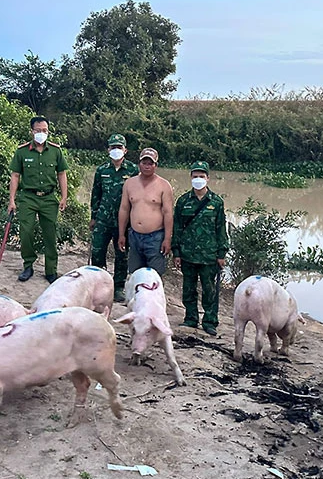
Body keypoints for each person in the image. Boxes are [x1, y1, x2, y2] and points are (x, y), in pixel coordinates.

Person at [8, 116, 68, 283]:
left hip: (49, 198)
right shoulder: (22, 151)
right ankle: (28, 265)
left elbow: (62, 174)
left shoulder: (56, 151)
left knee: (50, 233)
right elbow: (15, 176)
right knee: (26, 231)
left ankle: (51, 270)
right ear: (31, 131)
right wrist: (11, 200)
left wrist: (64, 196)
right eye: (38, 130)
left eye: (44, 131)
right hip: (28, 197)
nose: (41, 133)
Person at [172, 161, 229, 336]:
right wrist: (176, 252)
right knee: (188, 288)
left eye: (201, 176)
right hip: (188, 254)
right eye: (195, 176)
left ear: (208, 178)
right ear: (191, 178)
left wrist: (221, 253)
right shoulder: (183, 201)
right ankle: (191, 318)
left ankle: (210, 321)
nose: (198, 179)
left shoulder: (216, 202)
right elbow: (177, 228)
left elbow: (221, 229)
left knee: (209, 289)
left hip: (209, 255)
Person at [90, 134, 139, 302]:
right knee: (98, 251)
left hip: (124, 222)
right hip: (103, 219)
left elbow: (138, 196)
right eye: (113, 147)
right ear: (108, 150)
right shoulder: (102, 170)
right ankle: (98, 284)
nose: (116, 150)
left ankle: (118, 287)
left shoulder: (133, 170)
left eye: (119, 147)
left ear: (125, 150)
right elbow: (96, 194)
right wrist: (93, 217)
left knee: (122, 254)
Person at [117, 148, 173, 276]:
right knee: (135, 274)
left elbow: (168, 213)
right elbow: (124, 209)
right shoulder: (129, 183)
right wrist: (121, 234)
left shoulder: (164, 186)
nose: (147, 166)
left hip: (155, 237)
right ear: (139, 164)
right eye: (144, 163)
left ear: (155, 166)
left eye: (150, 163)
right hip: (134, 236)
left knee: (154, 277)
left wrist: (167, 239)